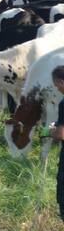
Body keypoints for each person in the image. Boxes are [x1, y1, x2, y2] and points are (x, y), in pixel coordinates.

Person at [49, 65, 64, 219]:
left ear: (61, 82)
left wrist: (50, 131)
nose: (56, 89)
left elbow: (61, 134)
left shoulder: (63, 103)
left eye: (56, 85)